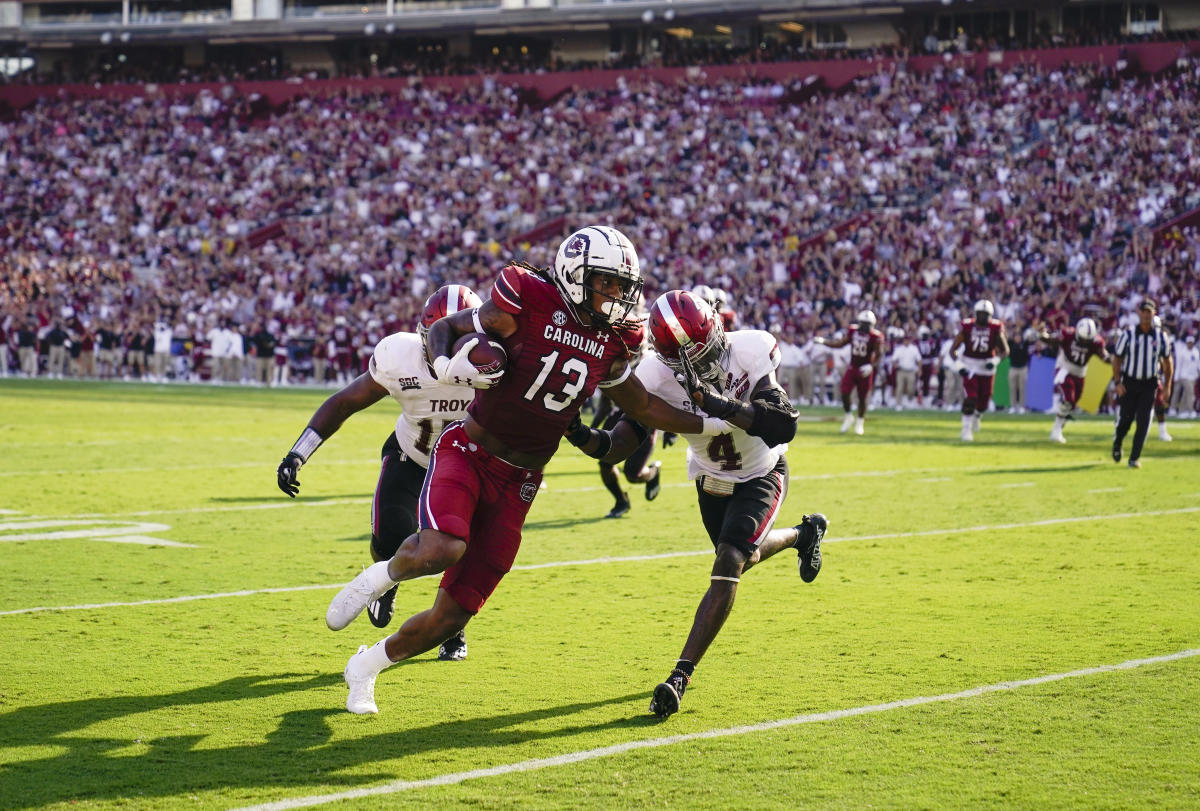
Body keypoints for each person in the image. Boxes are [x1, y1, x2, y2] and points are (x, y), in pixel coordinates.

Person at [323, 226, 733, 715]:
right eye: (608, 283)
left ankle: (365, 668)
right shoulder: (526, 294)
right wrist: (446, 364)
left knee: (452, 617)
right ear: (576, 276)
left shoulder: (617, 338)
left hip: (521, 482)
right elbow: (447, 329)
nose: (619, 296)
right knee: (443, 546)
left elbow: (642, 406)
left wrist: (708, 421)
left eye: (623, 286)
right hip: (469, 452)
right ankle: (379, 577)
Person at [564, 289, 825, 718]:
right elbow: (619, 445)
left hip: (762, 472)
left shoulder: (750, 347)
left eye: (706, 351)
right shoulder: (654, 377)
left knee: (729, 561)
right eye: (693, 360)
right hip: (710, 480)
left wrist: (719, 404)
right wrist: (578, 434)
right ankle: (804, 533)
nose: (706, 365)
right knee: (743, 558)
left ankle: (680, 675)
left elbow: (783, 425)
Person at [278, 284, 482, 662]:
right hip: (412, 456)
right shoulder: (398, 358)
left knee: (458, 552)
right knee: (388, 535)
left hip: (464, 468)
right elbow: (345, 402)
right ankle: (386, 580)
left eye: (461, 338)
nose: (451, 348)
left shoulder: (493, 367)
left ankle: (452, 628)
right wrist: (298, 453)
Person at [1111, 300, 1174, 468]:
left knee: (1144, 421)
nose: (1146, 315)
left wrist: (1167, 385)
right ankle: (1117, 442)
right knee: (1126, 420)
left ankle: (1134, 457)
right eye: (1144, 312)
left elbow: (1168, 363)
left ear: (1154, 314)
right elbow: (1117, 358)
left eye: (1149, 312)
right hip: (1130, 382)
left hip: (1149, 384)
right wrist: (1117, 382)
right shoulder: (1128, 334)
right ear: (1140, 313)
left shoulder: (1161, 337)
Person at [813, 310, 883, 435]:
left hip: (865, 369)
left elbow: (879, 354)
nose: (865, 326)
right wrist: (825, 342)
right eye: (863, 323)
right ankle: (849, 416)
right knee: (845, 392)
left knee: (862, 397)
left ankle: (860, 421)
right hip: (853, 367)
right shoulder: (853, 331)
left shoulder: (876, 337)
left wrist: (871, 366)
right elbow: (840, 344)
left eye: (868, 324)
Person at [948, 300, 1009, 441]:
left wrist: (995, 360)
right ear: (975, 314)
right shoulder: (967, 326)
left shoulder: (995, 327)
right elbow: (953, 350)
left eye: (985, 314)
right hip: (969, 365)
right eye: (980, 314)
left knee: (984, 401)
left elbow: (1005, 350)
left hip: (987, 365)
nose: (982, 317)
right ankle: (966, 429)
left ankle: (978, 415)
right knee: (971, 397)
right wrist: (959, 364)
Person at [1044, 317, 1109, 443]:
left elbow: (1103, 355)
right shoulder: (1068, 334)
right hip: (1064, 367)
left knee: (1073, 403)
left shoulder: (1096, 342)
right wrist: (1043, 335)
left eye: (1087, 340)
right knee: (1068, 398)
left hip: (1080, 372)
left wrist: (1112, 360)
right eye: (1082, 339)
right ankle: (1056, 431)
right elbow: (1052, 340)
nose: (1084, 342)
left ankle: (1059, 427)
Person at [1150, 315, 1174, 443]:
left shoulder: (1161, 340)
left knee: (1159, 405)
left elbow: (1167, 361)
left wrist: (1166, 383)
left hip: (1154, 377)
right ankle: (1120, 427)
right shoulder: (1137, 338)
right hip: (1137, 378)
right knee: (1131, 406)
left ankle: (1162, 431)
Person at [1008, 325, 1037, 414]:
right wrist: (1014, 330)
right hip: (1013, 368)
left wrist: (1036, 328)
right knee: (1013, 388)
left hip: (1023, 368)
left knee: (1022, 388)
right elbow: (1007, 337)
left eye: (1019, 337)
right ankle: (1013, 406)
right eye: (1016, 337)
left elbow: (1032, 337)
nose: (1017, 338)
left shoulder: (1024, 344)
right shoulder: (1011, 344)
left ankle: (1021, 406)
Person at [890, 331, 921, 410]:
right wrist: (895, 365)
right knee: (899, 387)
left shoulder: (914, 349)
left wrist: (920, 369)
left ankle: (910, 401)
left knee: (911, 388)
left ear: (910, 341)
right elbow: (893, 359)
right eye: (905, 340)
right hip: (901, 370)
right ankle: (898, 404)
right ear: (903, 340)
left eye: (908, 340)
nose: (906, 341)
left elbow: (919, 360)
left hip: (911, 370)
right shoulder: (899, 349)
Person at [1171, 333, 1199, 418]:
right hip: (1183, 376)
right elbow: (1179, 365)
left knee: (1185, 394)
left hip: (1193, 376)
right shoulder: (1182, 352)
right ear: (1186, 343)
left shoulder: (1196, 351)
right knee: (1190, 392)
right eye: (1189, 342)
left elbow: (1198, 364)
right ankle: (1191, 410)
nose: (1190, 344)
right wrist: (1176, 377)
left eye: (1191, 342)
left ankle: (1182, 411)